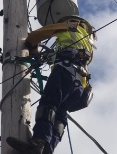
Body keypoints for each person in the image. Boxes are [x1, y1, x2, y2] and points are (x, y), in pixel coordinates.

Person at [6, 15, 96, 154]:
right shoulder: (88, 46)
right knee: (60, 115)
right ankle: (48, 149)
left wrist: (32, 47)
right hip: (79, 87)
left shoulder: (69, 26)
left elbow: (35, 36)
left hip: (65, 72)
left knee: (49, 104)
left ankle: (39, 142)